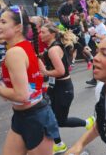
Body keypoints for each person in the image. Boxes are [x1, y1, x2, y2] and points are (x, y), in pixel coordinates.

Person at [0, 5, 60, 155]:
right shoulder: (23, 47)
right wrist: (2, 88)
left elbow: (22, 95)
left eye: (3, 22)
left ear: (18, 27)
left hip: (35, 118)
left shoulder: (15, 52)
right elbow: (24, 88)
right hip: (22, 117)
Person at [39, 23, 95, 154]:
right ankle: (58, 144)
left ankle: (87, 123)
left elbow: (61, 71)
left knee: (60, 121)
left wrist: (44, 71)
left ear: (52, 34)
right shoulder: (52, 47)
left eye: (43, 32)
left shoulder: (53, 49)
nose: (40, 34)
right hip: (56, 88)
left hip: (63, 89)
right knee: (49, 118)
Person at [86, 13, 106, 86]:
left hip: (101, 46)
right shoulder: (97, 26)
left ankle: (102, 78)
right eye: (93, 19)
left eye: (95, 19)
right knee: (95, 62)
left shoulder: (103, 26)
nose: (93, 20)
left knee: (99, 62)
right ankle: (95, 79)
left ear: (99, 20)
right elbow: (97, 36)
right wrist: (94, 37)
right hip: (96, 45)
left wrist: (95, 34)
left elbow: (104, 37)